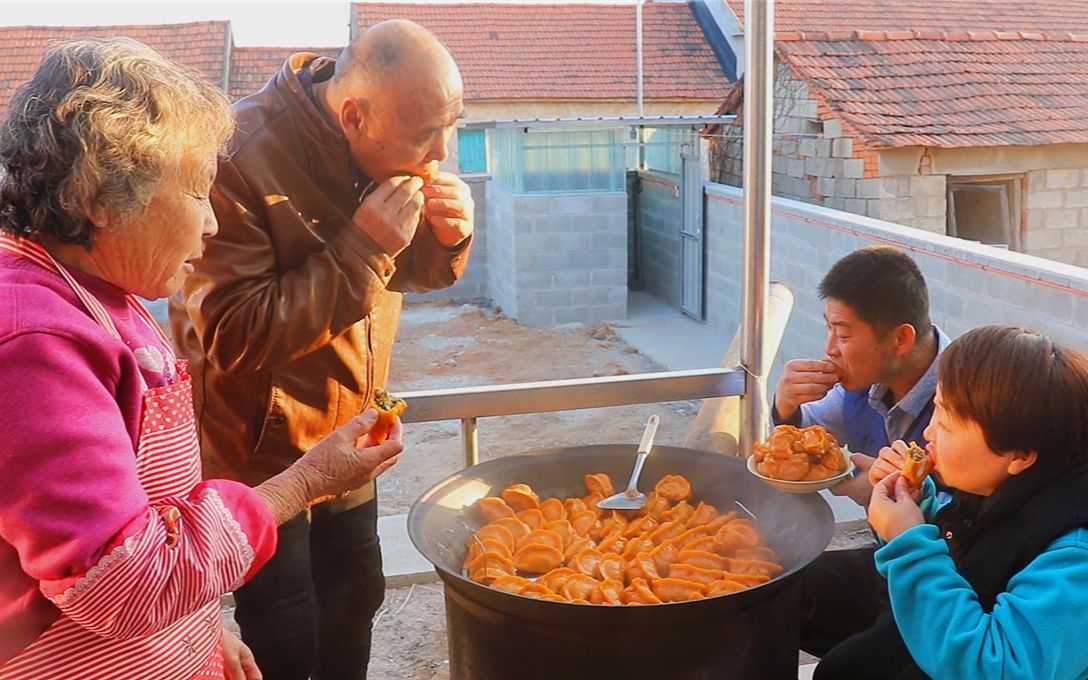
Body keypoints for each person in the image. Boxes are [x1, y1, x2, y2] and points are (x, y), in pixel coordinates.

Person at [0, 38, 404, 680]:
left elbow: (145, 515)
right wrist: (301, 484)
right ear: (100, 198)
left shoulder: (98, 294)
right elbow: (120, 582)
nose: (212, 225)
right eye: (196, 193)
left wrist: (201, 625)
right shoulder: (37, 346)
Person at [168, 20, 473, 680]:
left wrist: (445, 241)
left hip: (348, 433)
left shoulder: (382, 148)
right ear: (356, 116)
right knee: (286, 634)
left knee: (357, 599)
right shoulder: (239, 156)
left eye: (453, 126)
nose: (443, 152)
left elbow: (398, 273)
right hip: (260, 454)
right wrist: (365, 249)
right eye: (427, 134)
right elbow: (232, 333)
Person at [816, 323, 1088, 679]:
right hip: (959, 609)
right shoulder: (1007, 482)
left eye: (947, 421)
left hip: (974, 655)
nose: (928, 431)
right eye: (936, 410)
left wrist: (908, 542)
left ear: (1019, 454)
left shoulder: (1073, 557)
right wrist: (916, 507)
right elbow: (966, 544)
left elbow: (997, 667)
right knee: (797, 592)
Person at [772, 245, 949, 506]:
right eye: (828, 329)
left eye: (843, 335)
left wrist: (895, 490)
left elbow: (980, 513)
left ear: (901, 339)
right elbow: (812, 434)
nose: (829, 349)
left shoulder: (968, 399)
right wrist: (786, 405)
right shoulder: (865, 383)